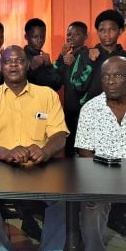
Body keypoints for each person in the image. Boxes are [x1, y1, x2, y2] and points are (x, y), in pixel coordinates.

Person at [0, 45, 69, 251]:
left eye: (19, 60)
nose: (13, 64)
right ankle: (1, 250)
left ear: (27, 64)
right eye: (8, 61)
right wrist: (6, 153)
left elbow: (59, 135)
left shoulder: (47, 95)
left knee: (65, 197)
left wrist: (46, 151)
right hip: (1, 168)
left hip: (41, 169)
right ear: (0, 66)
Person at [75, 56, 126, 251]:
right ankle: (94, 250)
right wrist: (98, 180)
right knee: (92, 205)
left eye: (117, 75)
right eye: (106, 76)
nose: (110, 81)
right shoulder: (90, 109)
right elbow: (84, 151)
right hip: (101, 173)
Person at [70, 9, 126, 105]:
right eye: (102, 30)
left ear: (120, 31)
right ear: (97, 32)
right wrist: (90, 62)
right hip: (91, 112)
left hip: (121, 113)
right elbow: (76, 85)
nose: (106, 34)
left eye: (112, 29)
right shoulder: (85, 55)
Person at [53, 21, 89, 157]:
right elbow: (55, 76)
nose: (71, 37)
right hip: (68, 109)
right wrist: (61, 56)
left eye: (76, 34)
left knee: (82, 150)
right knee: (68, 149)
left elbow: (82, 84)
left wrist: (74, 64)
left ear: (85, 37)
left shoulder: (88, 55)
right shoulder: (68, 56)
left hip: (82, 109)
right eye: (69, 34)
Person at [23, 18, 61, 91]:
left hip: (44, 101)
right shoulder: (19, 58)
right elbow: (15, 85)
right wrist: (30, 68)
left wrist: (49, 66)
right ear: (26, 37)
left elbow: (56, 85)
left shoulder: (45, 58)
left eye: (42, 36)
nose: (40, 40)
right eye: (35, 37)